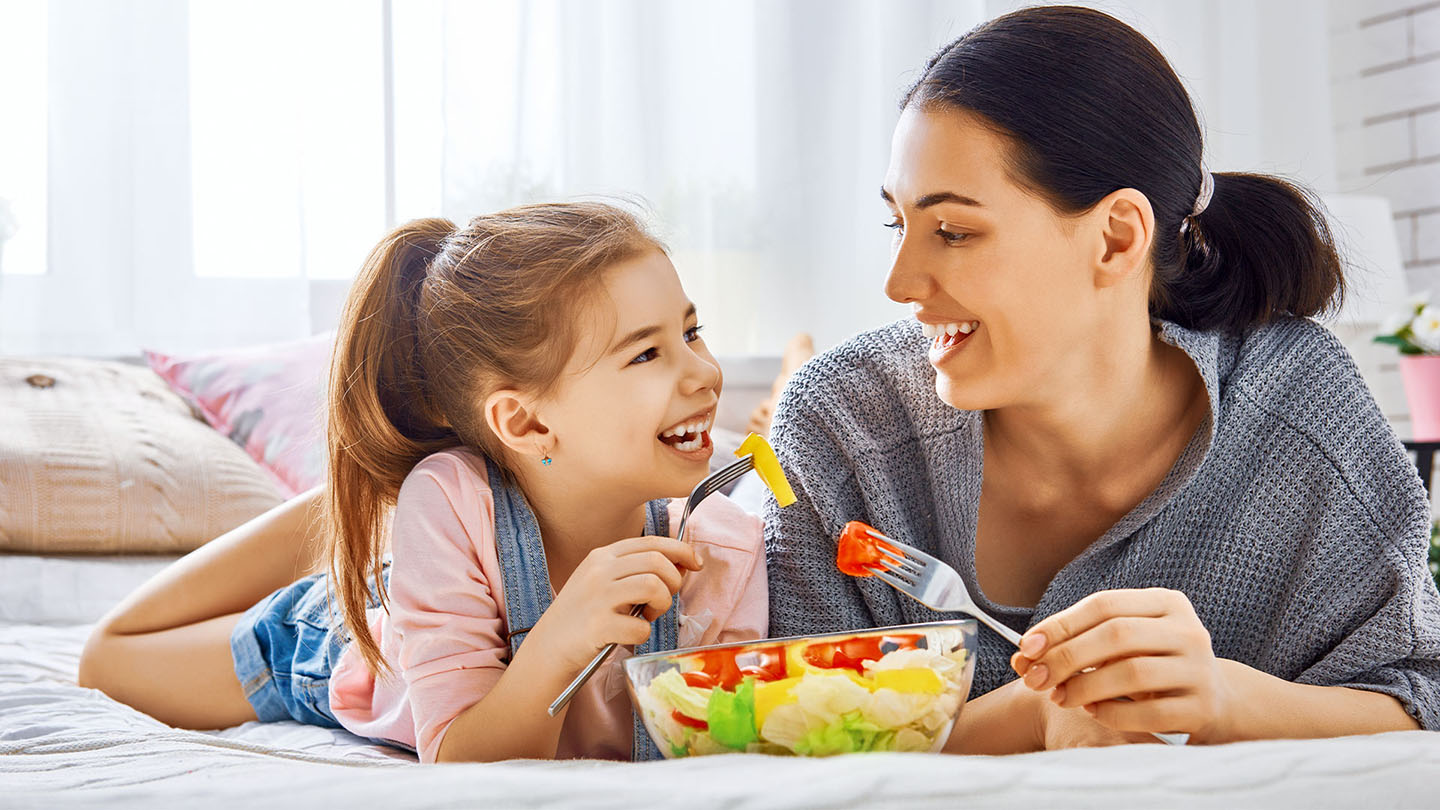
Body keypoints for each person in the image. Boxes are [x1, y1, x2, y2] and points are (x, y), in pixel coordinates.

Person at [765, 5, 1440, 751]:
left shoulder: (1299, 410)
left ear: (1117, 239)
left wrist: (1224, 701)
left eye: (953, 231)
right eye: (899, 225)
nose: (899, 284)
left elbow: (1423, 701)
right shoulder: (839, 426)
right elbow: (778, 739)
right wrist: (1033, 714)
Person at [78, 202, 767, 763]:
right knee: (109, 657)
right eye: (646, 353)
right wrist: (559, 640)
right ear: (526, 423)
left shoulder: (726, 548)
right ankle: (368, 503)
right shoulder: (450, 500)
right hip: (349, 641)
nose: (705, 373)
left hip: (434, 571)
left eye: (692, 332)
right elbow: (460, 759)